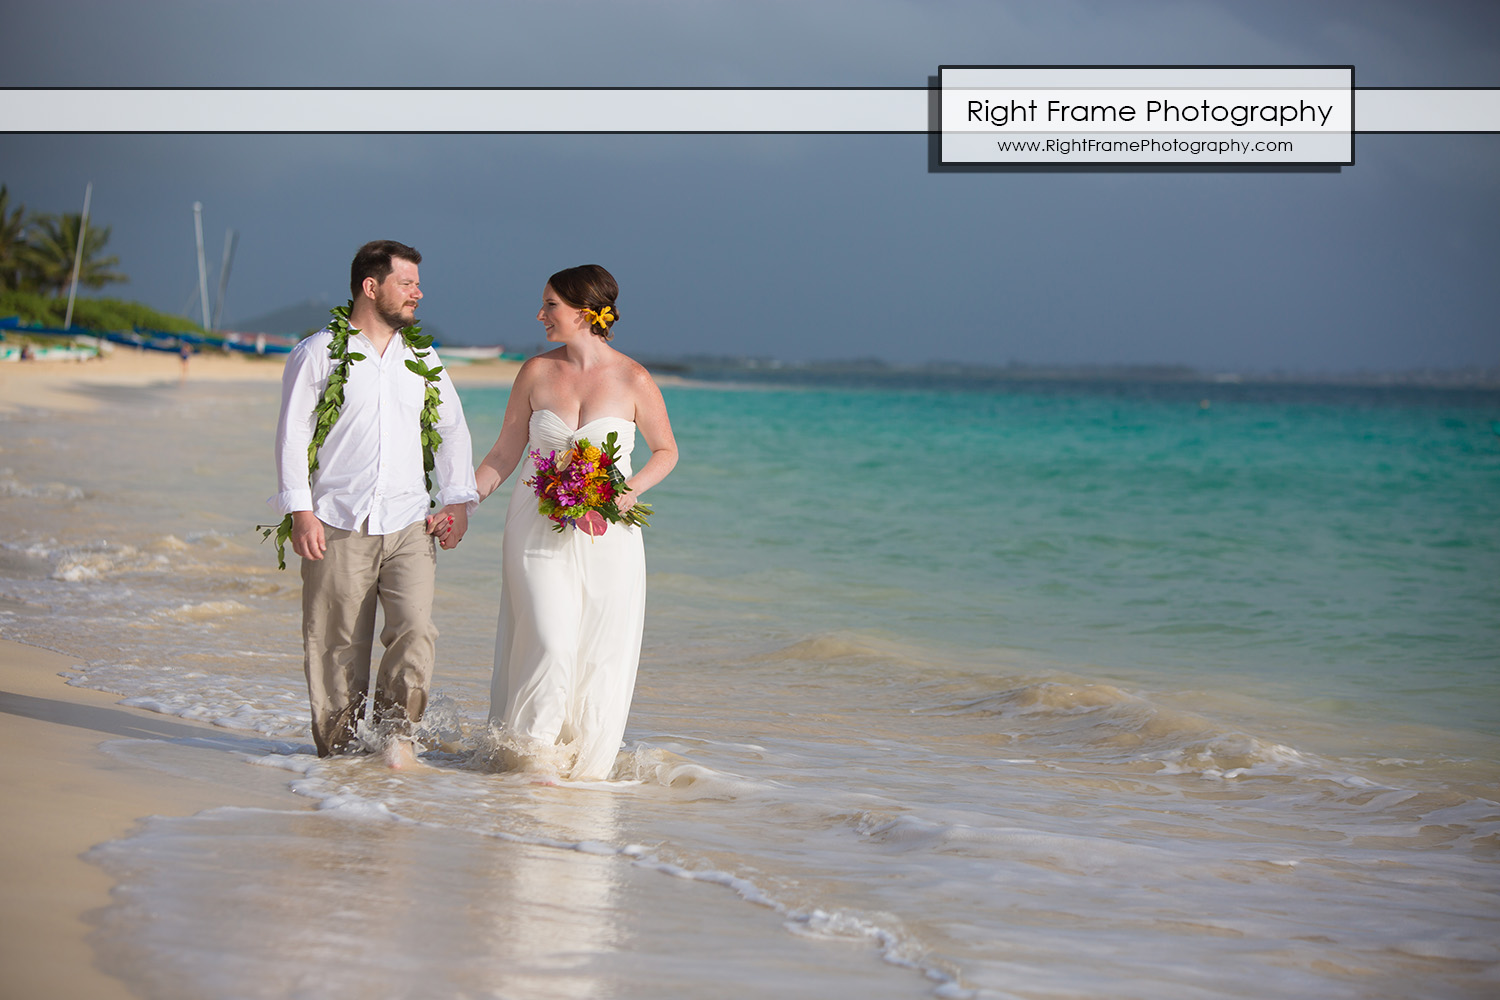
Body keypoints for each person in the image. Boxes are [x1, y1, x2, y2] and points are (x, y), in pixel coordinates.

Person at [270, 240, 479, 768]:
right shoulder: (319, 351)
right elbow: (292, 435)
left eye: (416, 283)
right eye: (407, 283)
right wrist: (301, 510)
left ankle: (396, 742)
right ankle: (339, 756)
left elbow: (451, 429)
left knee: (415, 630)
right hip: (338, 519)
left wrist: (457, 502)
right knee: (336, 644)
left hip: (411, 520)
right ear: (371, 286)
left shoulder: (424, 358)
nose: (418, 293)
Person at [467, 265, 678, 780]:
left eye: (551, 306)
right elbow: (504, 451)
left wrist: (626, 491)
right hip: (534, 525)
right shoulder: (536, 372)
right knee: (549, 636)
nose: (541, 315)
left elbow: (666, 451)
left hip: (609, 534)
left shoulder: (634, 378)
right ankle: (533, 759)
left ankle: (576, 767)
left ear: (585, 313)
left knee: (595, 650)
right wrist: (460, 503)